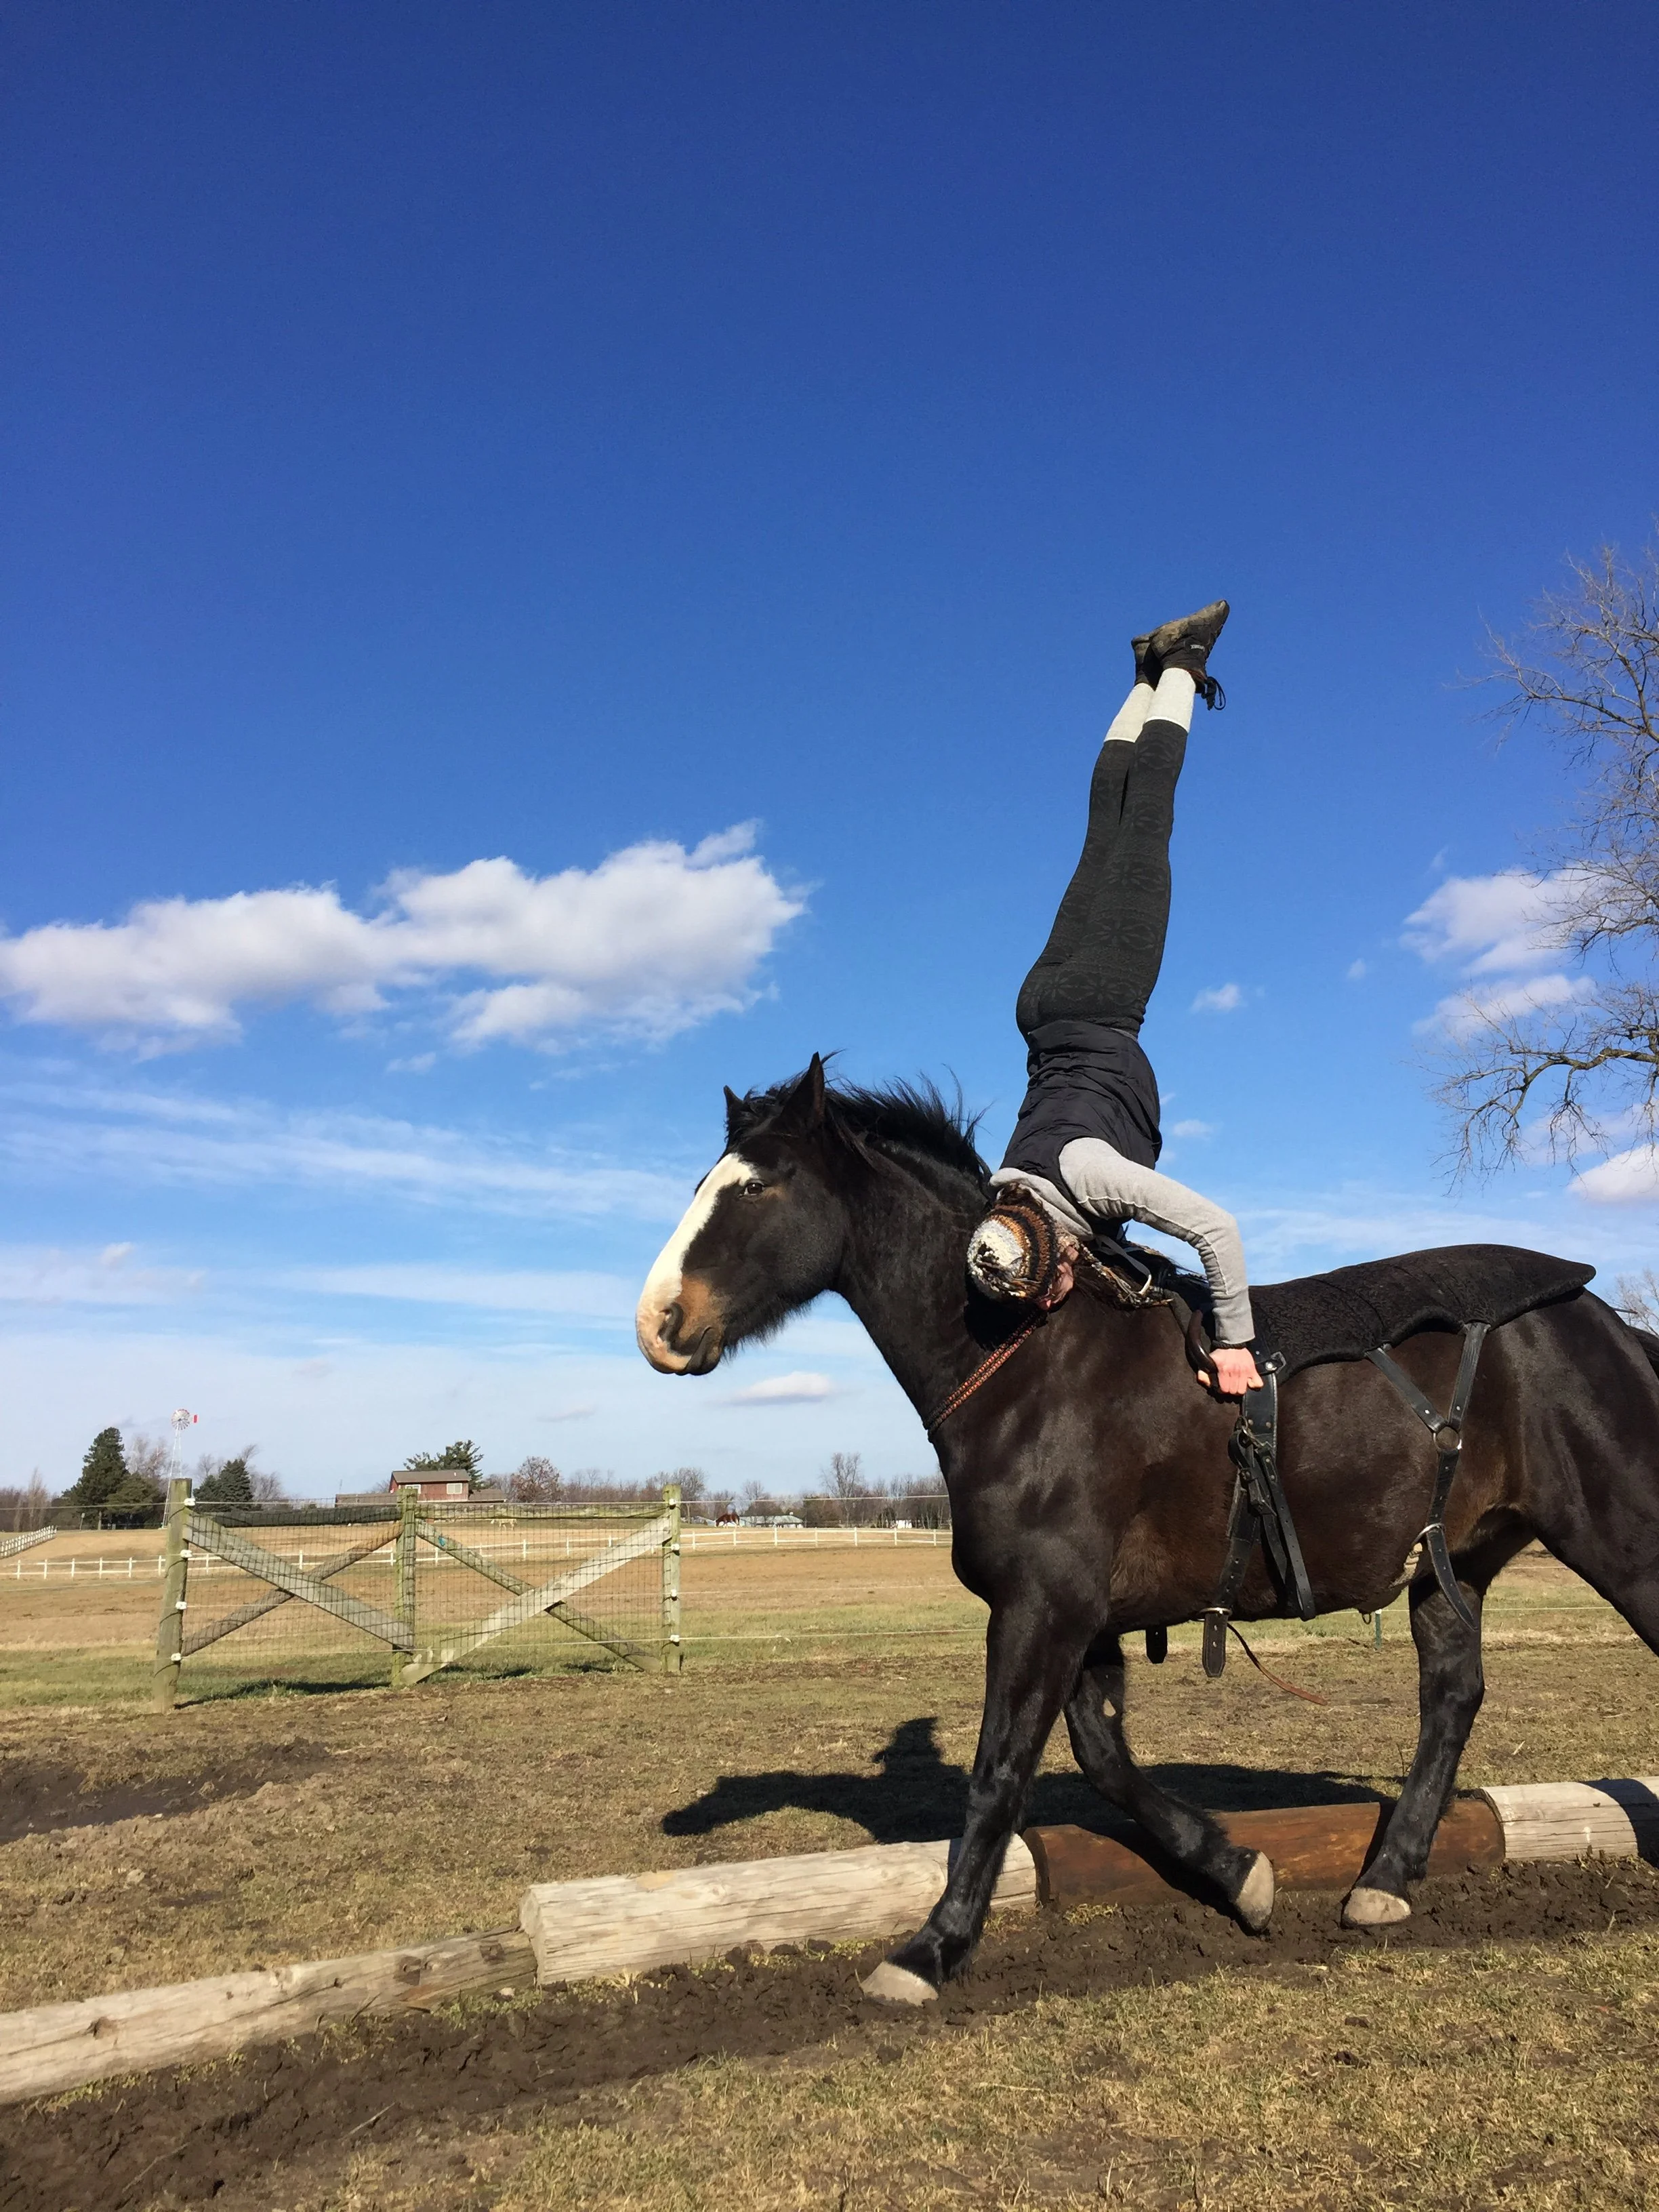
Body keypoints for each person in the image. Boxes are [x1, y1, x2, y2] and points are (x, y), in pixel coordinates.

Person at [966, 600, 1263, 1395]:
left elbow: (1216, 1231)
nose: (1057, 1297)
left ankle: (1182, 663)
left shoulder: (1086, 1175)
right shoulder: (1005, 1182)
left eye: (1050, 1288)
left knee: (1146, 826)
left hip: (1101, 1002)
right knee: (1102, 831)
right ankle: (1144, 675)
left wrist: (1235, 1343)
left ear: (1053, 1254)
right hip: (1037, 1007)